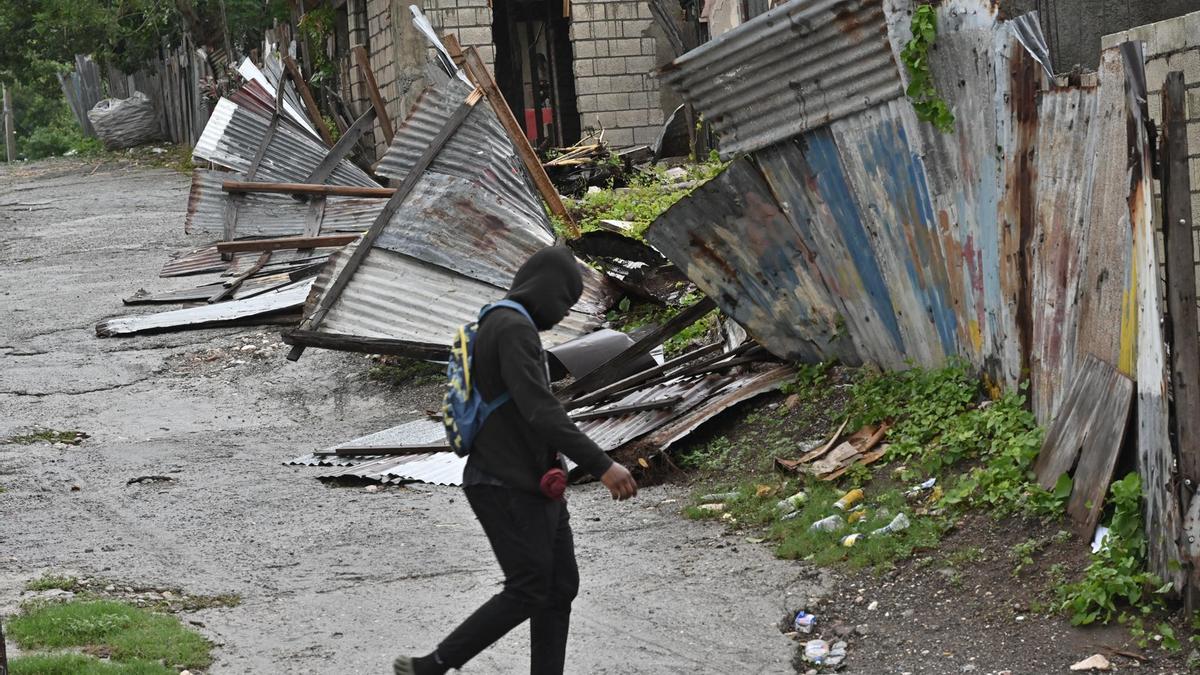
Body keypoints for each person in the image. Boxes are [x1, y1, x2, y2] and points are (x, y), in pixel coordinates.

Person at [395, 246, 639, 675]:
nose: (563, 313)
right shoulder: (510, 328)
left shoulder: (502, 324)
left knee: (560, 586)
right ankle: (431, 666)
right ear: (543, 288)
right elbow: (539, 408)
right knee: (530, 587)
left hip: (531, 482)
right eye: (564, 301)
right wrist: (602, 464)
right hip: (504, 484)